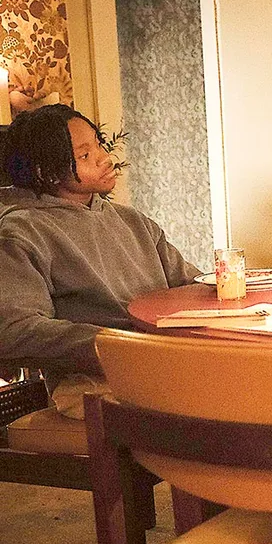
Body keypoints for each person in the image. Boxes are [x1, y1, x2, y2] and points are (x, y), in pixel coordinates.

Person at [0, 104, 199, 416]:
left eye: (98, 144)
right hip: (91, 383)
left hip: (164, 363)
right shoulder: (22, 231)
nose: (105, 158)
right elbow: (15, 330)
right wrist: (122, 346)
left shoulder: (132, 221)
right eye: (84, 155)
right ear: (45, 171)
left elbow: (190, 286)